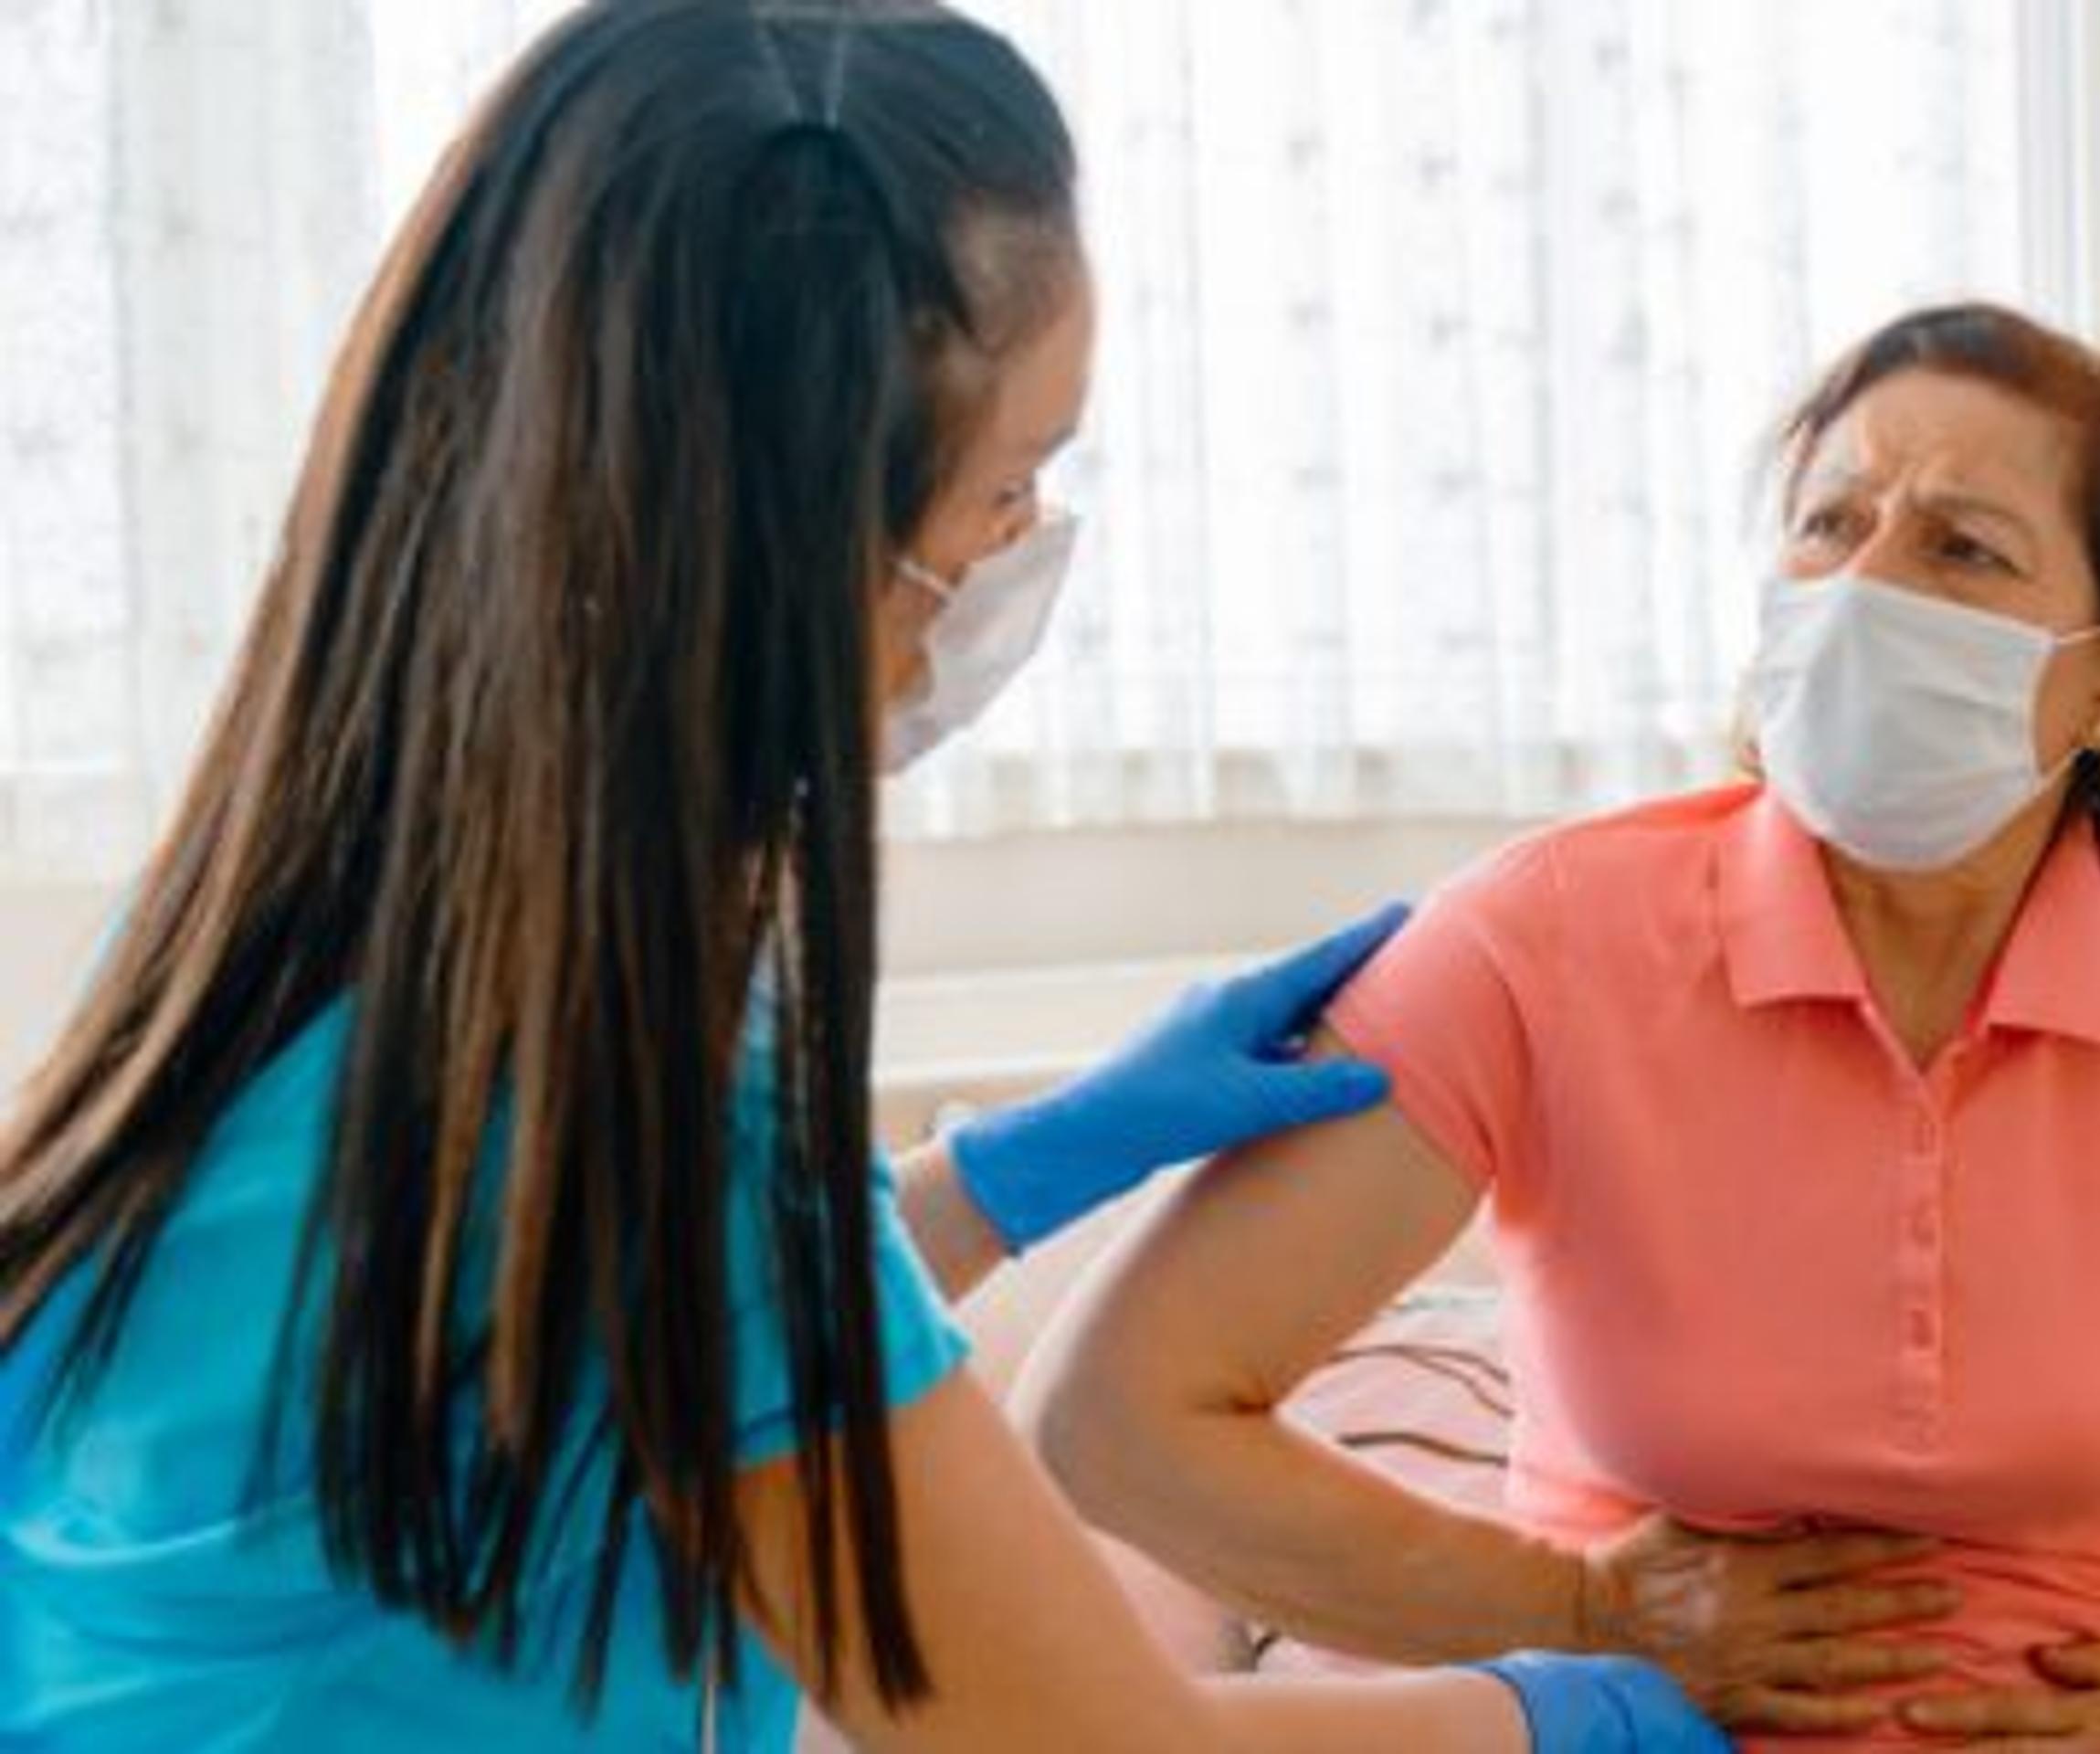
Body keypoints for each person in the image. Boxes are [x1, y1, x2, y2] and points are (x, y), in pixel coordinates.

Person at [0, 4, 1721, 1749]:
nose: (1016, 560)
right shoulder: (645, 1105)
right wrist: (1587, 1710)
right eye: (1006, 491)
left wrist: (1007, 1172)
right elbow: (1084, 1742)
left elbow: (599, 1331)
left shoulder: (265, 935)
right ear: (801, 542)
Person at [1022, 302, 2100, 1750]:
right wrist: (1581, 1610)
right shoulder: (1548, 937)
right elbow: (1114, 1418)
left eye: (1961, 547)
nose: (1864, 585)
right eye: (1828, 522)